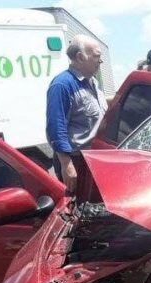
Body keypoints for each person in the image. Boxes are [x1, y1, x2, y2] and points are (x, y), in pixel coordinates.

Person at [46, 34, 107, 191]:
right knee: (76, 210)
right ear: (80, 57)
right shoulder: (62, 85)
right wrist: (67, 165)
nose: (100, 61)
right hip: (76, 161)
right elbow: (56, 127)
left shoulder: (92, 82)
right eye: (96, 56)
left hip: (93, 159)